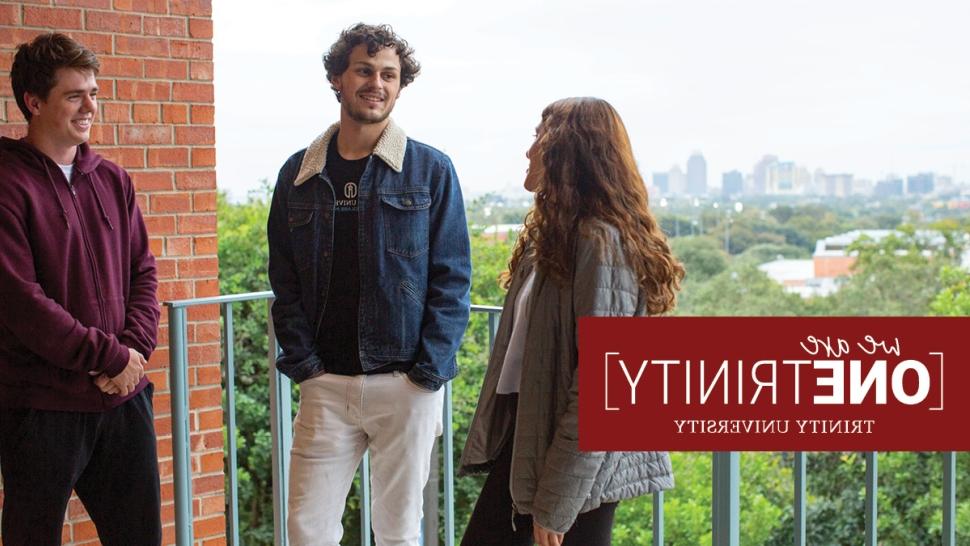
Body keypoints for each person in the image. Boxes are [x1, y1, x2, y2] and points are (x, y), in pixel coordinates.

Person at [267, 23, 471, 546]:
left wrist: (427, 374)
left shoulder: (431, 170)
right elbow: (284, 282)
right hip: (326, 385)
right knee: (307, 530)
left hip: (405, 384)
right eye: (364, 70)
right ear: (338, 76)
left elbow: (452, 280)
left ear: (401, 86)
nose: (376, 83)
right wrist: (307, 368)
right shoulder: (298, 174)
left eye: (389, 74)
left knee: (399, 532)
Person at [459, 97, 684, 546]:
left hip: (578, 467)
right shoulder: (551, 237)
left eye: (538, 139)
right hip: (531, 443)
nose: (529, 151)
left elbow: (604, 390)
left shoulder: (602, 244)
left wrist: (558, 502)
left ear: (568, 152)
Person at [0, 33, 161, 545]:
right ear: (34, 102)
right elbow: (20, 300)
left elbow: (143, 270)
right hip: (40, 406)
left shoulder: (113, 180)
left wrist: (131, 354)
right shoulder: (7, 184)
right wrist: (108, 357)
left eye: (93, 91)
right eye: (75, 95)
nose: (91, 105)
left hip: (123, 401)